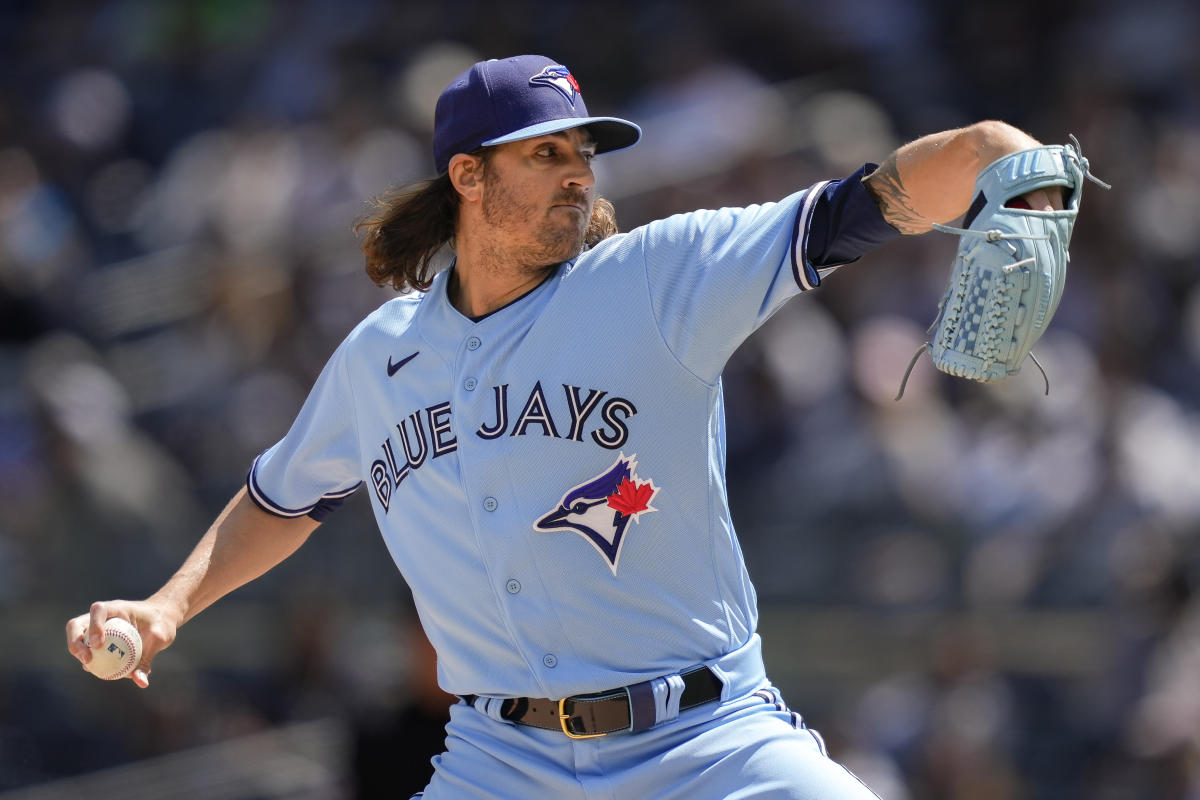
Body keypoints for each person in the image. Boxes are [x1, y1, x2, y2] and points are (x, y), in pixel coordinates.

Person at [66, 54, 1064, 798]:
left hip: (708, 743)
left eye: (583, 151)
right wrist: (168, 604)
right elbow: (282, 495)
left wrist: (990, 157)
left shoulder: (660, 276)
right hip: (502, 761)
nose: (579, 173)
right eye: (546, 154)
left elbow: (859, 207)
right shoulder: (382, 356)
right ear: (468, 176)